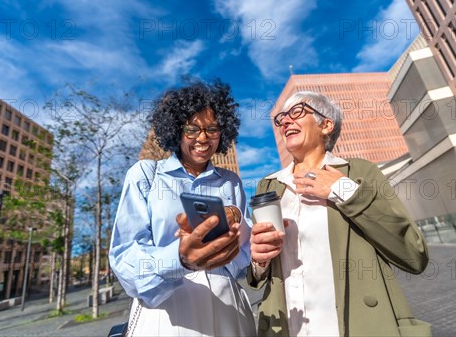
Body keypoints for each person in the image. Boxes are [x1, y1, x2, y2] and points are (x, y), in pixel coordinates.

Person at [248, 91, 431, 337]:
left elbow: (413, 254)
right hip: (288, 328)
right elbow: (261, 271)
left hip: (354, 326)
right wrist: (259, 261)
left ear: (326, 125)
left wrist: (342, 190)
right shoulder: (269, 186)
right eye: (281, 118)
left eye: (297, 112)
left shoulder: (359, 172)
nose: (285, 121)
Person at [109, 80, 255, 336]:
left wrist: (245, 231)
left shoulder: (231, 182)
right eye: (192, 129)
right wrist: (179, 259)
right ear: (176, 130)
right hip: (166, 313)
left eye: (212, 129)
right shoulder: (145, 175)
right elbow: (124, 256)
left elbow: (241, 260)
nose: (202, 138)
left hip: (228, 309)